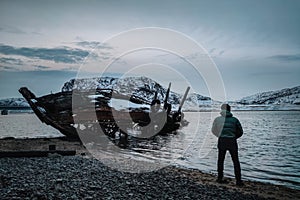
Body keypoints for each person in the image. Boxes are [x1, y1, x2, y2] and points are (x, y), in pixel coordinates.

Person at [211, 103, 244, 186]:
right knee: (235, 161)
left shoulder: (217, 119)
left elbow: (213, 130)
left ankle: (219, 178)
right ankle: (238, 180)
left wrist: (220, 135)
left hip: (222, 140)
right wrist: (234, 137)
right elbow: (240, 132)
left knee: (220, 160)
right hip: (232, 141)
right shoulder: (235, 120)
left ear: (221, 110)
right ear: (230, 110)